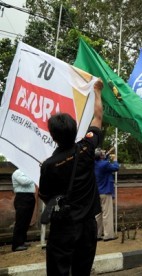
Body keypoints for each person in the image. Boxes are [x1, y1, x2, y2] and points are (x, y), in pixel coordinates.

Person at [38, 79, 104, 275]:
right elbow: (98, 117)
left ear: (53, 136)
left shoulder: (49, 165)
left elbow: (44, 195)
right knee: (82, 270)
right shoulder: (86, 148)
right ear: (76, 129)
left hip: (64, 228)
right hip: (88, 227)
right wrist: (97, 92)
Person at [95, 147, 120, 241]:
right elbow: (116, 167)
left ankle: (97, 234)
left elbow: (103, 162)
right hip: (105, 191)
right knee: (107, 214)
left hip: (97, 192)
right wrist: (115, 159)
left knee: (98, 215)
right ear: (101, 156)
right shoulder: (105, 164)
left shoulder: (95, 163)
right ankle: (108, 235)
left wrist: (107, 154)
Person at [11, 169, 36, 252]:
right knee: (20, 221)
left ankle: (22, 241)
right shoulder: (17, 172)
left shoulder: (27, 172)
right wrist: (33, 176)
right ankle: (16, 245)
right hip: (22, 197)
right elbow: (24, 182)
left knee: (26, 221)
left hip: (30, 196)